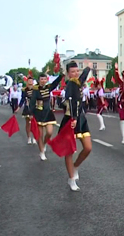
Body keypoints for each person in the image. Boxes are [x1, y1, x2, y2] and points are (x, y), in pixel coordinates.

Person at [59, 61, 92, 191]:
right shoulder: (71, 84)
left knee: (88, 148)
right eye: (72, 72)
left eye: (77, 71)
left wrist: (88, 67)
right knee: (70, 151)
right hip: (70, 119)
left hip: (81, 118)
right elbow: (71, 102)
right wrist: (73, 118)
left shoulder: (78, 82)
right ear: (68, 74)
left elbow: (83, 77)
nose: (76, 73)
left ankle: (75, 166)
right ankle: (71, 178)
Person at [32, 72, 63, 161]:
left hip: (48, 113)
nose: (43, 81)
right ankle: (42, 152)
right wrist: (31, 113)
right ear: (38, 80)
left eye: (44, 79)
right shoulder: (35, 89)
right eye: (41, 79)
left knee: (49, 132)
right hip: (38, 113)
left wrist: (61, 75)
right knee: (40, 135)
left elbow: (55, 83)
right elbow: (32, 102)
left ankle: (45, 143)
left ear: (47, 80)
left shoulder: (48, 87)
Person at [15, 77, 36, 145]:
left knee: (35, 123)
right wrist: (18, 107)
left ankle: (34, 137)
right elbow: (22, 99)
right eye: (29, 81)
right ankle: (29, 137)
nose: (30, 82)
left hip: (35, 107)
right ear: (27, 82)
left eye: (31, 81)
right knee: (28, 123)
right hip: (27, 107)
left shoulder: (36, 89)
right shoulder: (24, 90)